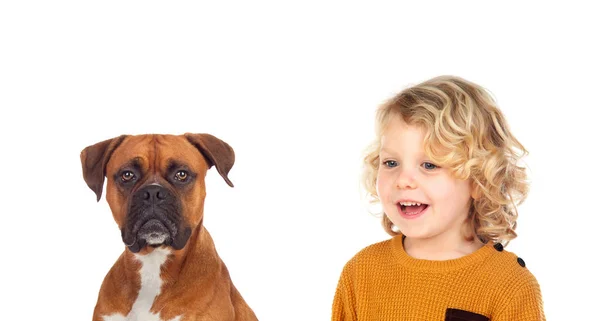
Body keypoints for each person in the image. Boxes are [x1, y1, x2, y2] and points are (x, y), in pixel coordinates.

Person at [331, 75, 545, 320]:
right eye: (391, 162)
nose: (403, 180)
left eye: (429, 165)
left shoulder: (509, 286)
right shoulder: (361, 272)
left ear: (478, 181)